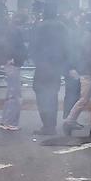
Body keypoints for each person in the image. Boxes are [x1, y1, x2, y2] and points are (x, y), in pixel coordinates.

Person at [61, 13, 91, 139]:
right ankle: (69, 122)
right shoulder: (90, 34)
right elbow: (90, 55)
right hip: (89, 72)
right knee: (84, 100)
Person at [29, 7, 68, 135]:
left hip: (42, 66)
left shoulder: (40, 27)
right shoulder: (62, 27)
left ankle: (47, 125)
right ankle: (52, 125)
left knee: (41, 95)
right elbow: (68, 46)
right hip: (56, 67)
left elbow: (33, 46)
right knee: (53, 95)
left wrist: (37, 60)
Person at [0, 14, 28, 132]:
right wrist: (12, 58)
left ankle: (5, 120)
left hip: (10, 63)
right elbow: (16, 47)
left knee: (11, 93)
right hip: (13, 64)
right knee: (15, 95)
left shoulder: (8, 30)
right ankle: (10, 122)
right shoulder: (15, 32)